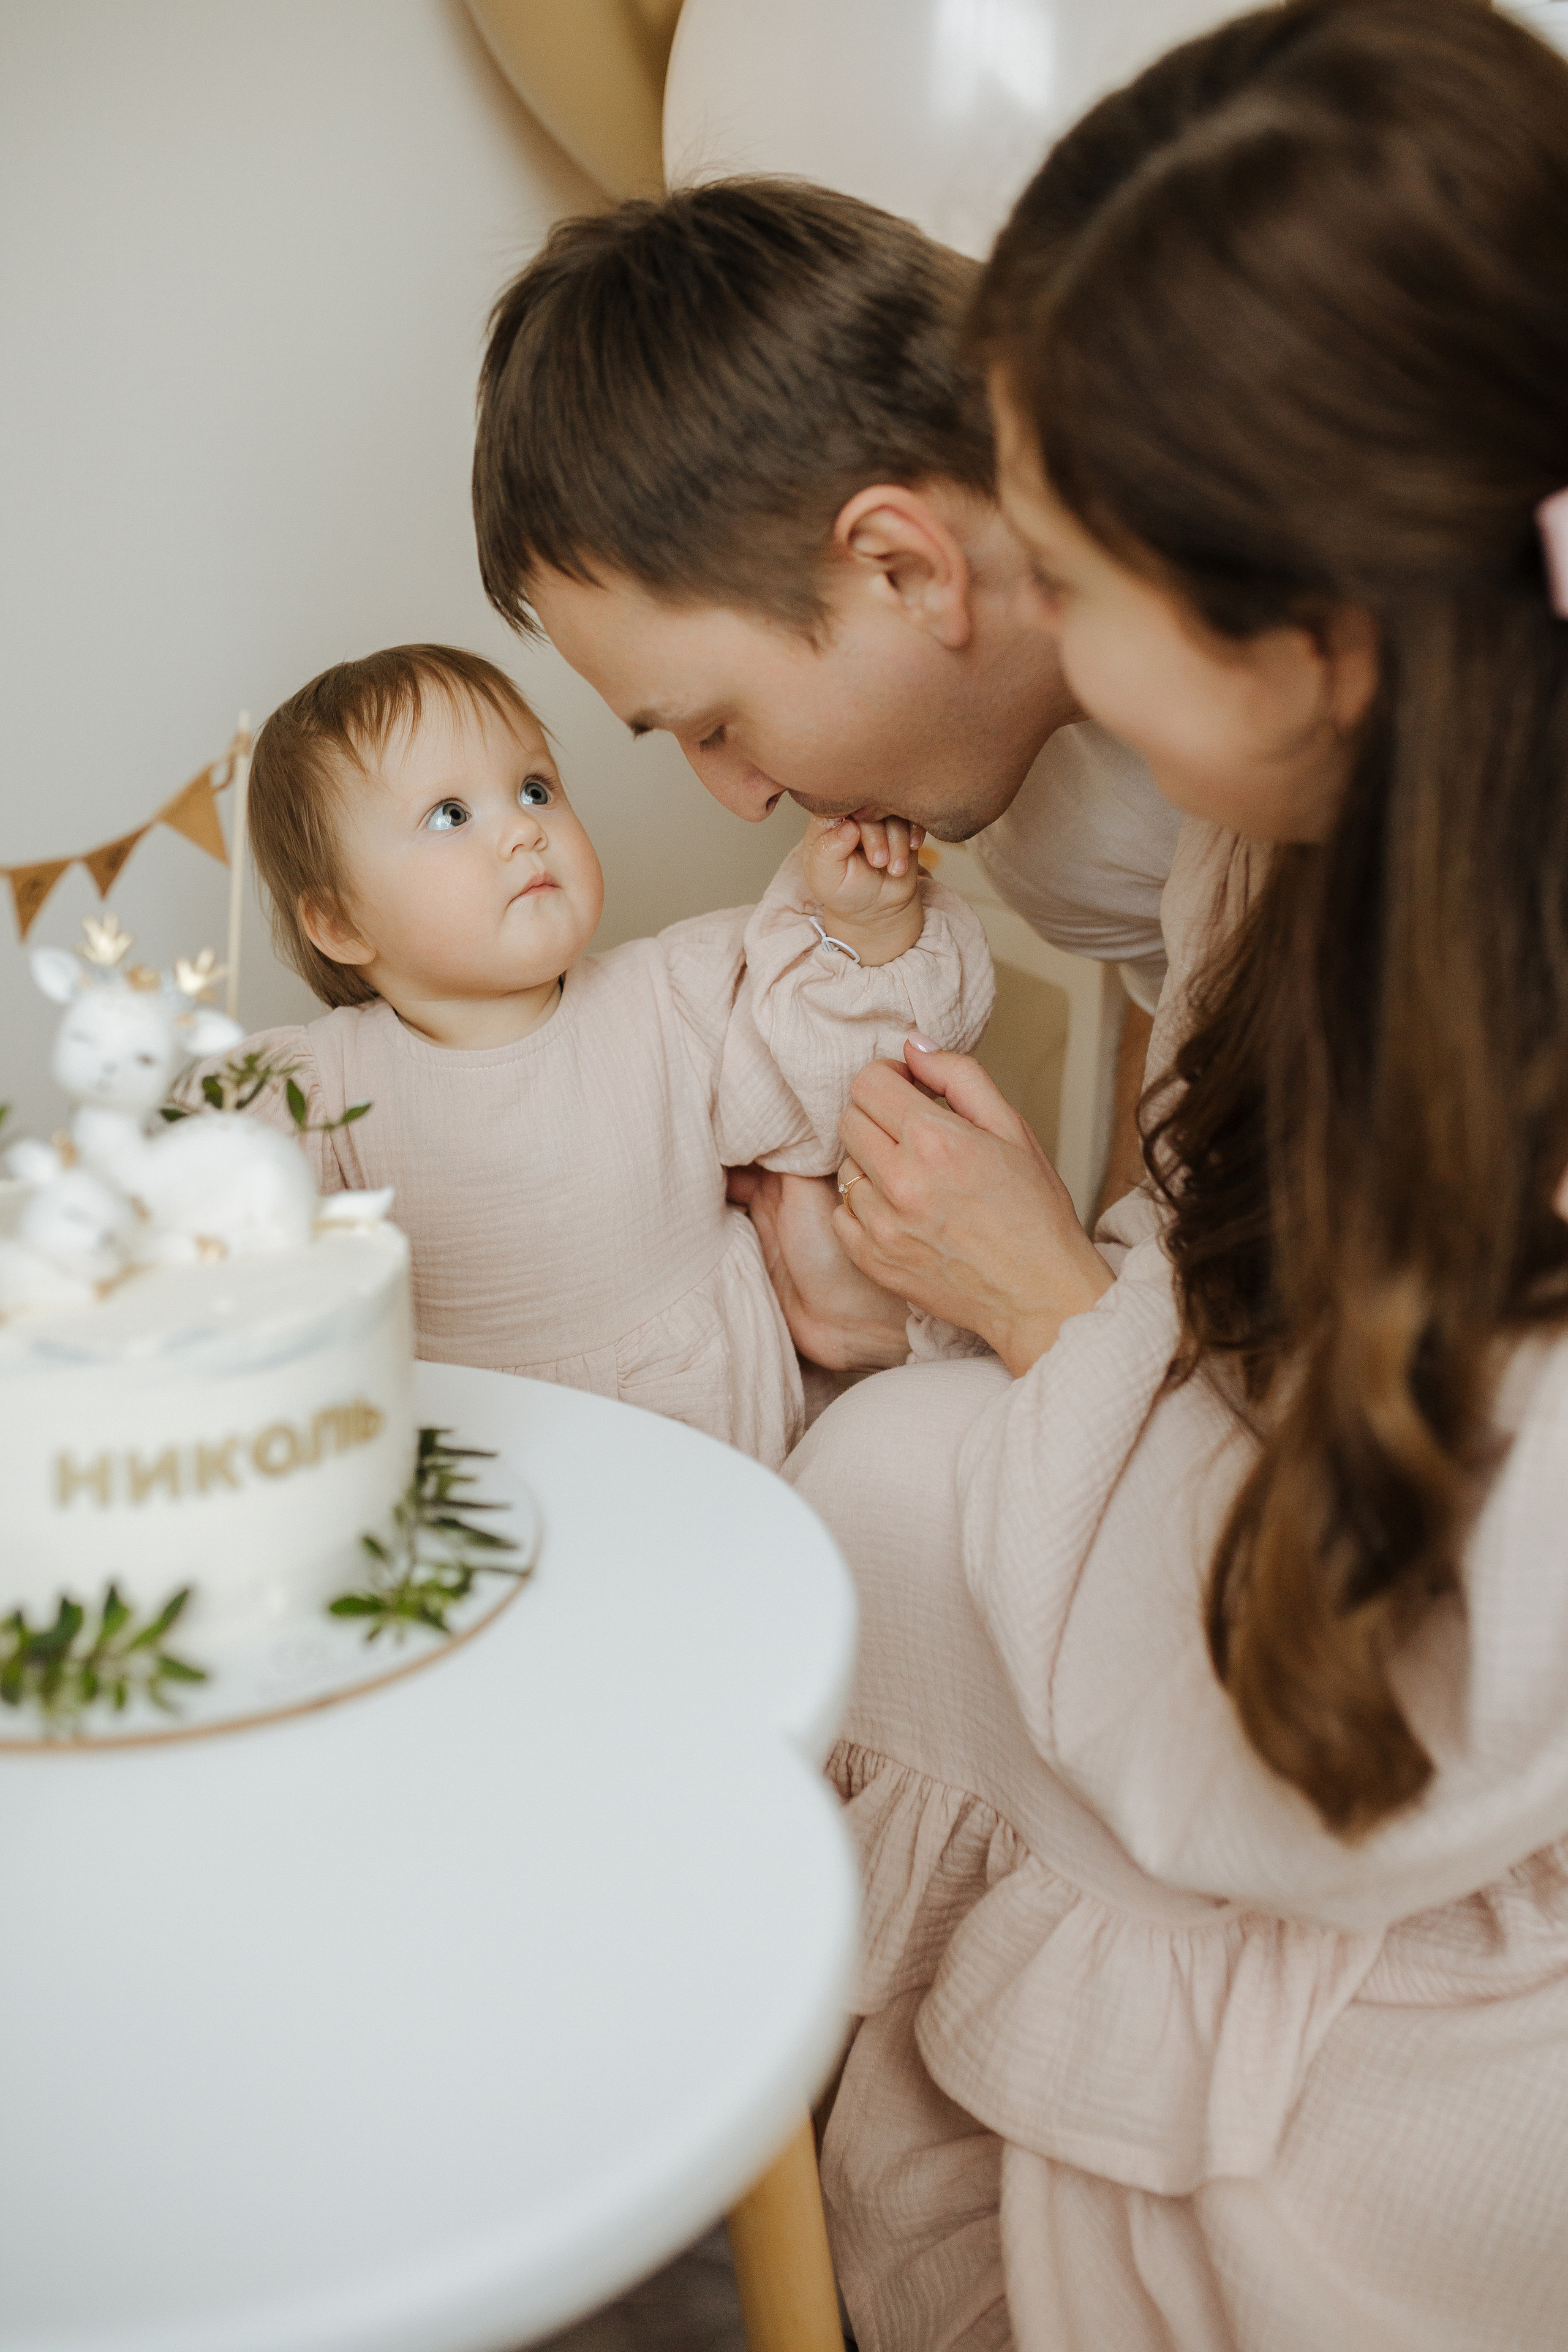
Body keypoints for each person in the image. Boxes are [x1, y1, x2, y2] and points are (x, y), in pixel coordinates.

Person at [771, 0, 1568, 2344]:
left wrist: (1050, 1313)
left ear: (1321, 639)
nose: (1044, 642)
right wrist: (1020, 1295)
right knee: (876, 1491)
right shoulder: (1278, 841)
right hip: (1321, 1620)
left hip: (1426, 1795)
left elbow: (1381, 1752)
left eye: (1076, 575)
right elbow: (1257, 1312)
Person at [471, 175, 1183, 1330]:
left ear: (903, 567)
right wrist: (1091, 1278)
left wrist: (1042, 1304)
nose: (741, 798)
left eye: (717, 725)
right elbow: (1204, 1029)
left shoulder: (1305, 657)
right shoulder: (1027, 807)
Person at [210, 642, 992, 1467]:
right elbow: (212, 1245)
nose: (524, 829)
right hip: (483, 1456)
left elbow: (835, 1082)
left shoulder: (674, 998)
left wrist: (862, 926)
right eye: (450, 815)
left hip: (712, 1440)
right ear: (340, 924)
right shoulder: (323, 1092)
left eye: (535, 789)